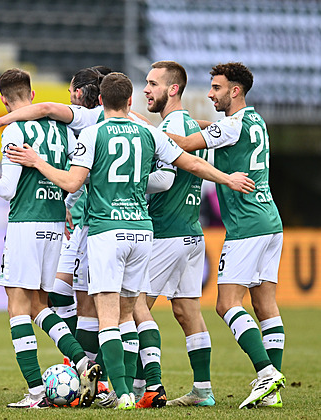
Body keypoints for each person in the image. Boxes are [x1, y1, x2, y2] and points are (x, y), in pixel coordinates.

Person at [6, 72, 255, 410]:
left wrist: (37, 162)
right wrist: (227, 178)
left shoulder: (92, 134)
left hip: (107, 231)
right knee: (129, 314)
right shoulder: (149, 132)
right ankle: (141, 388)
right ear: (129, 102)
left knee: (107, 314)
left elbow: (71, 183)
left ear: (100, 101)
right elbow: (191, 163)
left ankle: (120, 393)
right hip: (142, 232)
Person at [0, 68, 101, 408]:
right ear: (33, 95)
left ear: (3, 99)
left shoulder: (14, 129)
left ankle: (36, 391)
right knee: (41, 304)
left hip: (25, 224)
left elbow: (9, 189)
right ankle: (84, 363)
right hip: (55, 225)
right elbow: (73, 176)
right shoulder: (63, 130)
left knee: (17, 307)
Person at [164, 62, 286, 409]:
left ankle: (265, 371)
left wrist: (138, 127)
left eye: (216, 88)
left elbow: (185, 143)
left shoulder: (232, 125)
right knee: (265, 305)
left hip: (246, 226)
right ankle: (272, 391)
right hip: (269, 220)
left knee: (226, 304)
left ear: (235, 91)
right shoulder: (254, 121)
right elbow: (210, 129)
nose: (210, 93)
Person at [133, 60, 214, 407]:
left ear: (173, 89)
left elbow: (165, 181)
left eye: (152, 84)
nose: (146, 90)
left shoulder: (177, 126)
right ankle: (203, 390)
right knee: (186, 309)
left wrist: (128, 183)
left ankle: (142, 386)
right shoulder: (191, 126)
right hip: (191, 232)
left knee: (133, 305)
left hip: (167, 232)